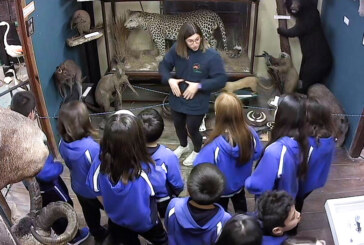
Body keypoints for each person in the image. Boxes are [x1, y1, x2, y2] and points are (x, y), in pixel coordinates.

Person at [10, 91, 90, 244]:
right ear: (31, 114)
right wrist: (59, 167)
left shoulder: (15, 133)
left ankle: (62, 231)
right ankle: (74, 237)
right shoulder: (30, 139)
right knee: (63, 205)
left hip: (33, 186)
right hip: (48, 185)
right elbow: (45, 172)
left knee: (48, 210)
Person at [86, 113, 168, 245]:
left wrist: (111, 208)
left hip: (117, 220)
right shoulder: (149, 169)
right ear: (139, 140)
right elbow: (160, 191)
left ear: (106, 139)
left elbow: (96, 190)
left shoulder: (99, 163)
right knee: (161, 241)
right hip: (145, 221)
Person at [159, 21, 227, 166]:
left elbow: (221, 79)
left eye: (197, 39)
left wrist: (199, 85)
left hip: (198, 99)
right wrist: (170, 79)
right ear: (183, 41)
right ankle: (184, 146)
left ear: (201, 37)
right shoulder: (177, 49)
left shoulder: (212, 55)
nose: (195, 44)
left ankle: (197, 150)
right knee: (178, 124)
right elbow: (163, 66)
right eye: (190, 41)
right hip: (178, 95)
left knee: (192, 127)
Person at [194, 92, 263, 213]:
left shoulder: (213, 146)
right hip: (241, 183)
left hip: (220, 189)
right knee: (241, 205)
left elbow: (199, 168)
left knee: (221, 210)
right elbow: (257, 153)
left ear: (218, 115)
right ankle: (242, 220)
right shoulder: (251, 133)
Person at [58, 101, 108, 242]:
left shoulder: (62, 143)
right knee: (110, 210)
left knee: (89, 212)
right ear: (86, 121)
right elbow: (101, 171)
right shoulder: (91, 148)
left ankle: (96, 232)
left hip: (78, 187)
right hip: (95, 191)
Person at [245, 94, 309, 199]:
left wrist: (246, 181)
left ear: (282, 116)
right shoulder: (302, 141)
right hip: (287, 199)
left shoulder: (275, 151)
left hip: (271, 206)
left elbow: (257, 185)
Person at [165, 163, 231, 245]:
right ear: (220, 194)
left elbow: (168, 226)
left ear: (189, 189)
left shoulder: (173, 205)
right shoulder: (225, 220)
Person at [137, 108, 184, 218]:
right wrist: (177, 192)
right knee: (165, 216)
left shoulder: (130, 151)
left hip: (140, 196)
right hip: (163, 198)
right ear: (161, 131)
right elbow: (177, 183)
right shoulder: (167, 156)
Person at [295, 97, 336, 212]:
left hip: (303, 183)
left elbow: (298, 167)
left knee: (297, 202)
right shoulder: (329, 136)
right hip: (316, 179)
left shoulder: (311, 145)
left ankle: (293, 225)